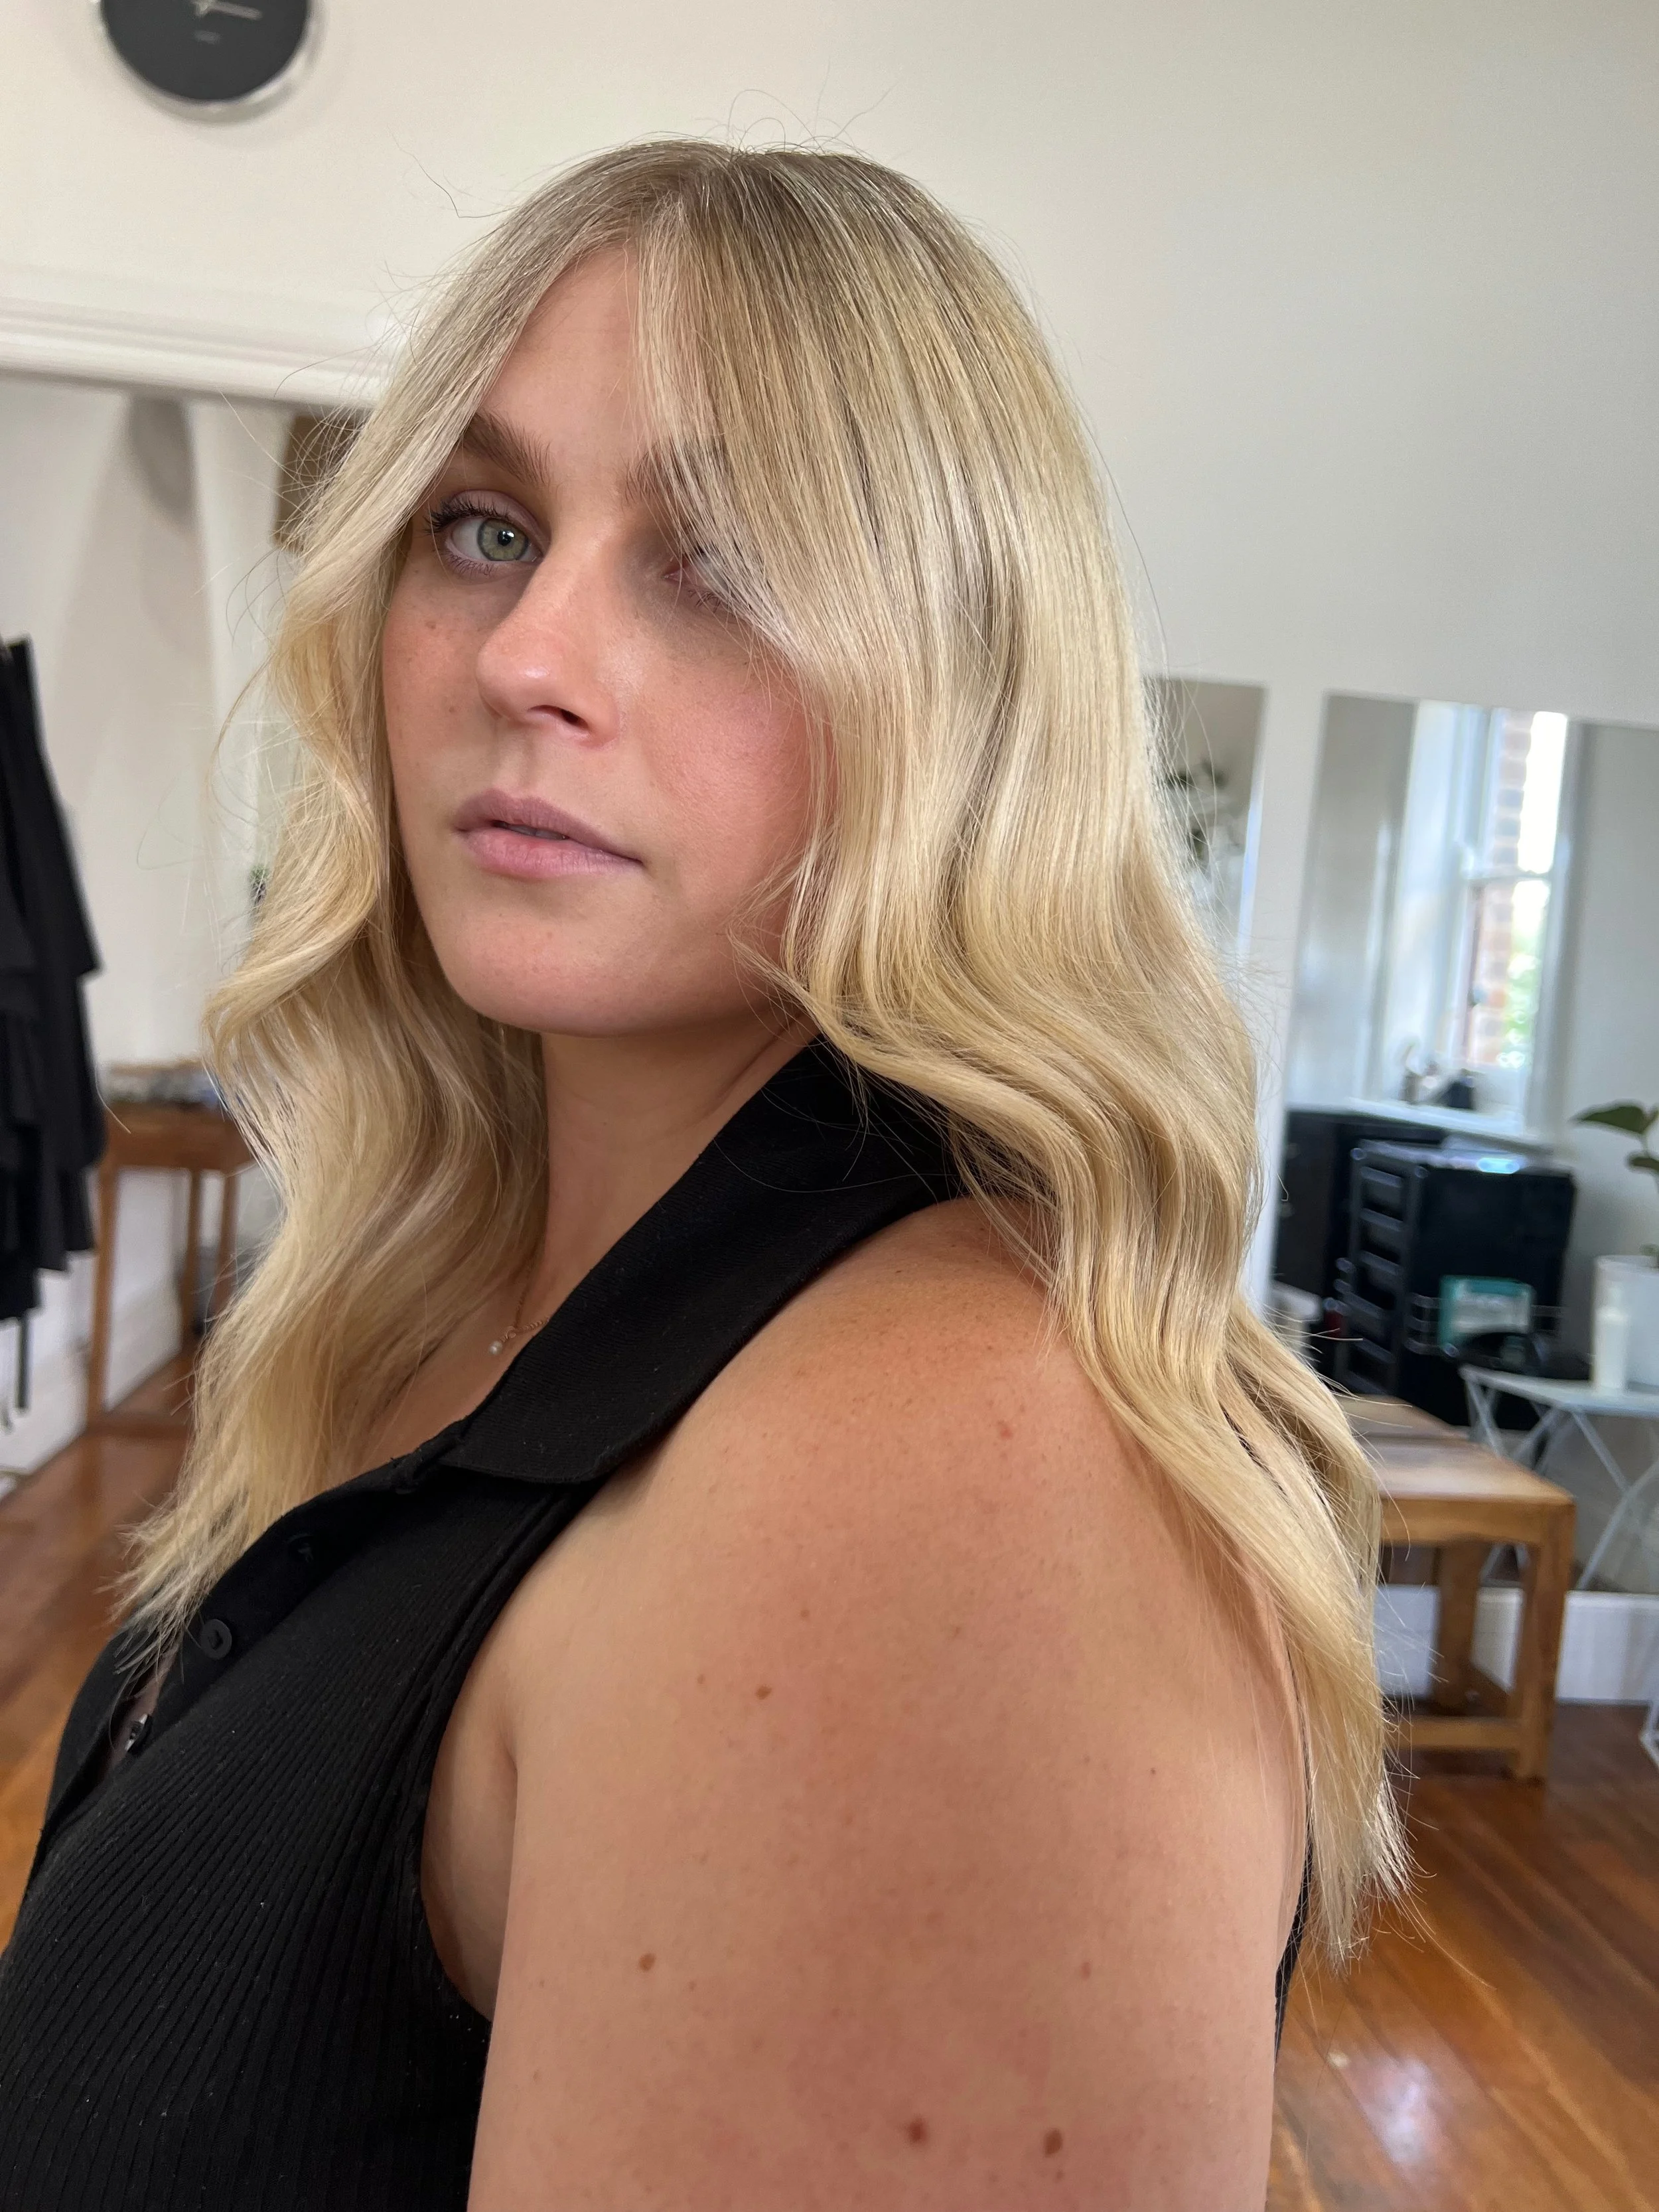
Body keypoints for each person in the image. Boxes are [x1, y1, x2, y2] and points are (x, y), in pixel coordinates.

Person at [0, 141, 1401, 2209]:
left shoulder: (948, 1491)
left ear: (960, 696)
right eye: (483, 526)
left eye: (722, 559)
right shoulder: (459, 1301)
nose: (522, 653)